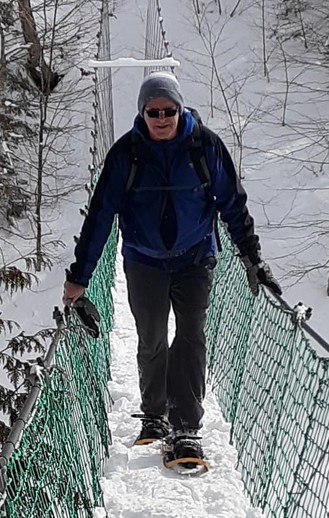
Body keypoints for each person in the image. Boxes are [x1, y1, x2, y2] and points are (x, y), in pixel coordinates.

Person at [63, 72, 280, 465]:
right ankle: (154, 415)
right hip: (143, 261)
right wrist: (80, 278)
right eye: (153, 112)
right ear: (142, 112)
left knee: (191, 336)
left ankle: (186, 428)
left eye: (169, 110)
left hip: (195, 258)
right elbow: (99, 217)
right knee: (152, 339)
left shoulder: (205, 146)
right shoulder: (125, 154)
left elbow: (232, 202)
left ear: (180, 109)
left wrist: (252, 257)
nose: (161, 118)